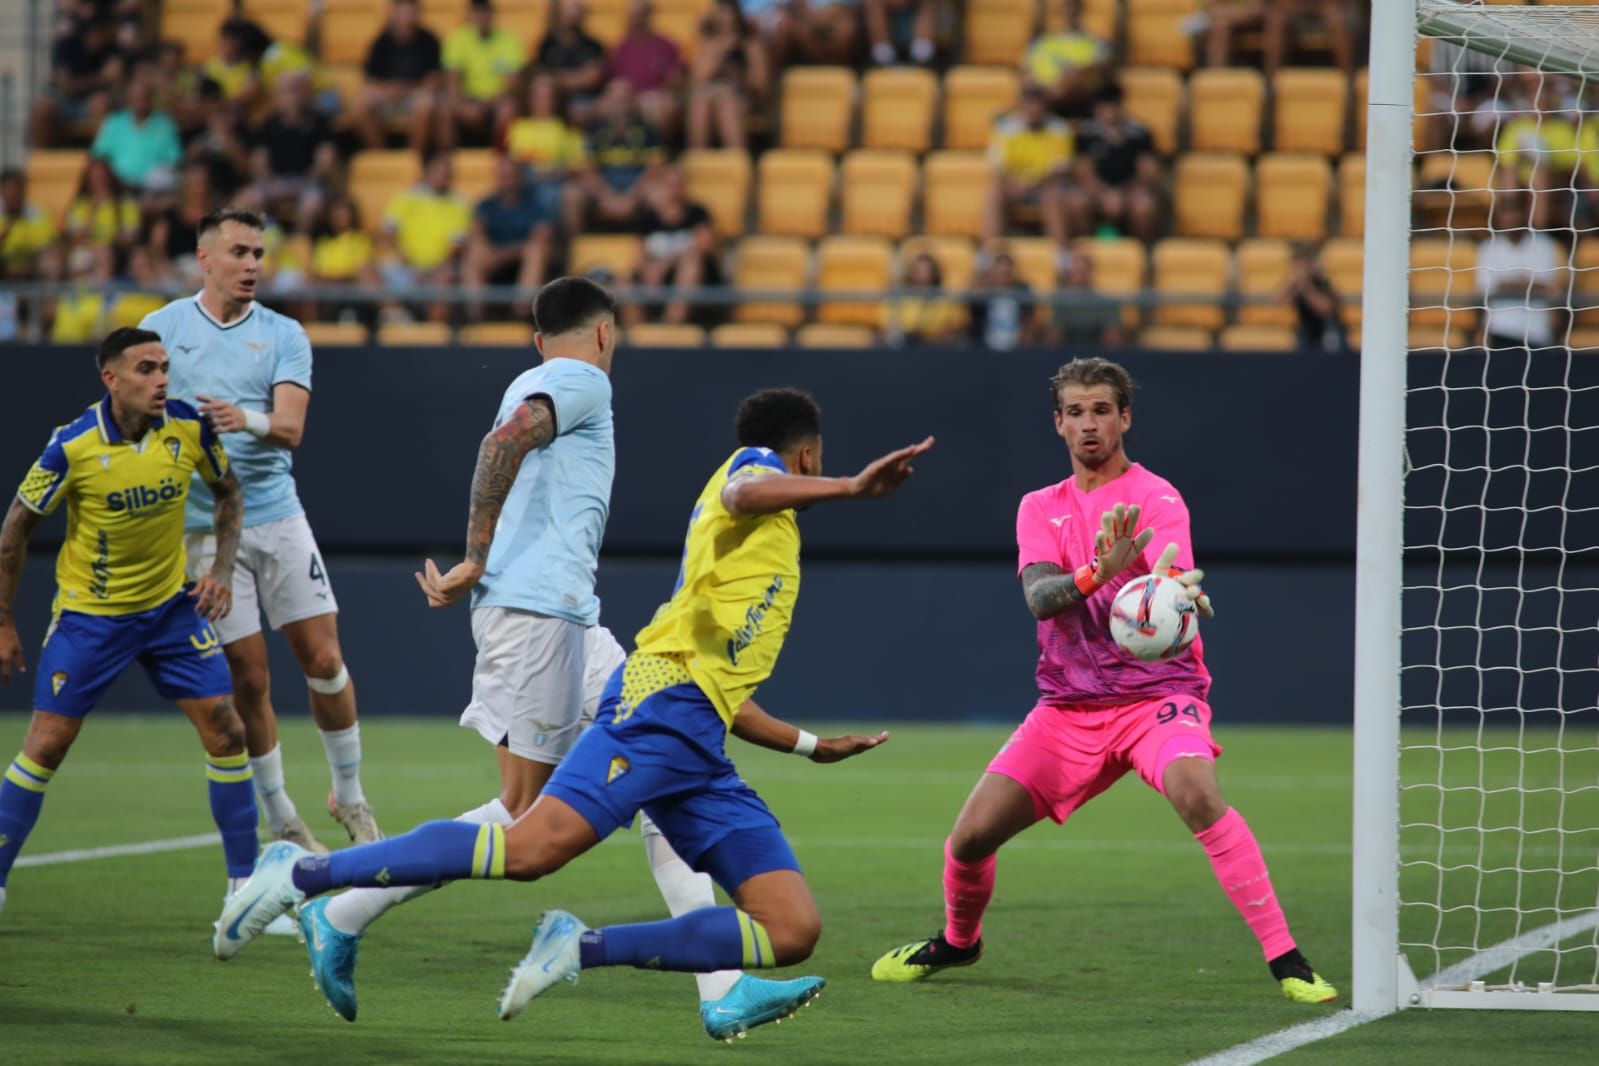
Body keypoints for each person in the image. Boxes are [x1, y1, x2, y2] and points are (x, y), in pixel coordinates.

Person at [215, 387, 934, 1036]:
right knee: (529, 845)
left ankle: (586, 949)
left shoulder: (768, 539)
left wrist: (811, 746)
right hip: (660, 704)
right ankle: (305, 875)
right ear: (807, 454)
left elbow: (724, 687)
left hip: (698, 734)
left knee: (790, 927)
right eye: (820, 462)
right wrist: (849, 487)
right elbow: (745, 491)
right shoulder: (752, 473)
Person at [869, 357, 1338, 1006]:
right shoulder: (1039, 507)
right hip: (1068, 706)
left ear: (1125, 418)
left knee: (1197, 793)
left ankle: (1287, 960)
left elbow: (1172, 573)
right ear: (1057, 424)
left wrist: (1175, 592)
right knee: (970, 838)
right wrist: (1099, 570)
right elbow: (1040, 599)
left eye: (1101, 410)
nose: (1088, 424)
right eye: (1075, 412)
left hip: (1157, 697)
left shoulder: (1157, 497)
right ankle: (958, 942)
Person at [140, 208, 381, 861]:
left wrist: (240, 418)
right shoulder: (161, 329)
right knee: (248, 679)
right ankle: (282, 817)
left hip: (276, 516)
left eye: (258, 254)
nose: (251, 265)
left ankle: (350, 796)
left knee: (325, 661)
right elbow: (132, 408)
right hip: (202, 533)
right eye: (239, 252)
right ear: (205, 259)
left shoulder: (283, 333)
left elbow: (291, 428)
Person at [0, 327, 255, 921]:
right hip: (92, 618)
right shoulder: (72, 446)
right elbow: (14, 529)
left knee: (227, 731)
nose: (161, 379)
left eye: (164, 367)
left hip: (169, 610)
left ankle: (245, 891)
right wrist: (4, 621)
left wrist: (220, 569)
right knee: (47, 745)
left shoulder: (189, 427)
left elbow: (229, 494)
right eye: (146, 369)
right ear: (110, 379)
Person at [984, 86, 1073, 253]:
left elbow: (1061, 168)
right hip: (1015, 185)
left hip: (1046, 185)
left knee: (1053, 195)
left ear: (1045, 109)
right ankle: (989, 252)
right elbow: (998, 166)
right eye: (1029, 108)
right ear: (1021, 107)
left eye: (1038, 109)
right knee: (994, 193)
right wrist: (1016, 182)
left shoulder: (1059, 128)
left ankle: (1062, 254)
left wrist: (1035, 182)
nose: (1033, 113)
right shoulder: (1006, 128)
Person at [1475, 195, 1564, 351]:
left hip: (1537, 333)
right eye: (1507, 213)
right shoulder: (1488, 248)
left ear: (1525, 214)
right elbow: (1487, 288)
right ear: (1499, 218)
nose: (1512, 219)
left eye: (1516, 212)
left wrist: (1508, 284)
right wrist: (1528, 283)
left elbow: (1548, 287)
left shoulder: (1545, 245)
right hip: (1499, 331)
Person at [438, 0, 526, 150]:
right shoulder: (457, 39)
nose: (481, 18)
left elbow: (512, 84)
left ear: (492, 15)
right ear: (470, 16)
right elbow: (452, 82)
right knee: (445, 108)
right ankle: (446, 156)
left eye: (484, 13)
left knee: (508, 109)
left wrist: (486, 105)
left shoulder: (509, 41)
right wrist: (464, 106)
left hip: (495, 100)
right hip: (466, 98)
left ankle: (501, 156)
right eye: (477, 13)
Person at [355, 0, 442, 152]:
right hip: (387, 96)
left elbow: (434, 79)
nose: (407, 16)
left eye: (410, 11)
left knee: (426, 103)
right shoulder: (381, 41)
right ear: (394, 12)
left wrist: (406, 90)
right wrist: (387, 90)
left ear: (417, 13)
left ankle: (413, 157)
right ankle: (380, 155)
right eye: (403, 11)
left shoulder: (429, 40)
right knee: (361, 104)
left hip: (415, 95)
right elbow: (370, 80)